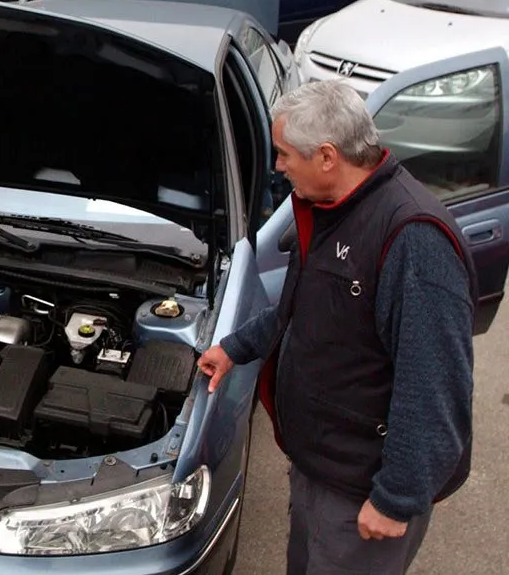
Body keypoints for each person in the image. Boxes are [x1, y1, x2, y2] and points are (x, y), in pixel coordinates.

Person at [197, 80, 476, 575]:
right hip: (318, 465)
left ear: (327, 156)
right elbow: (302, 307)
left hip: (362, 490)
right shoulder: (332, 209)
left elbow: (434, 387)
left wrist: (397, 497)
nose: (278, 167)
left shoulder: (413, 240)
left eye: (284, 155)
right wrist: (236, 347)